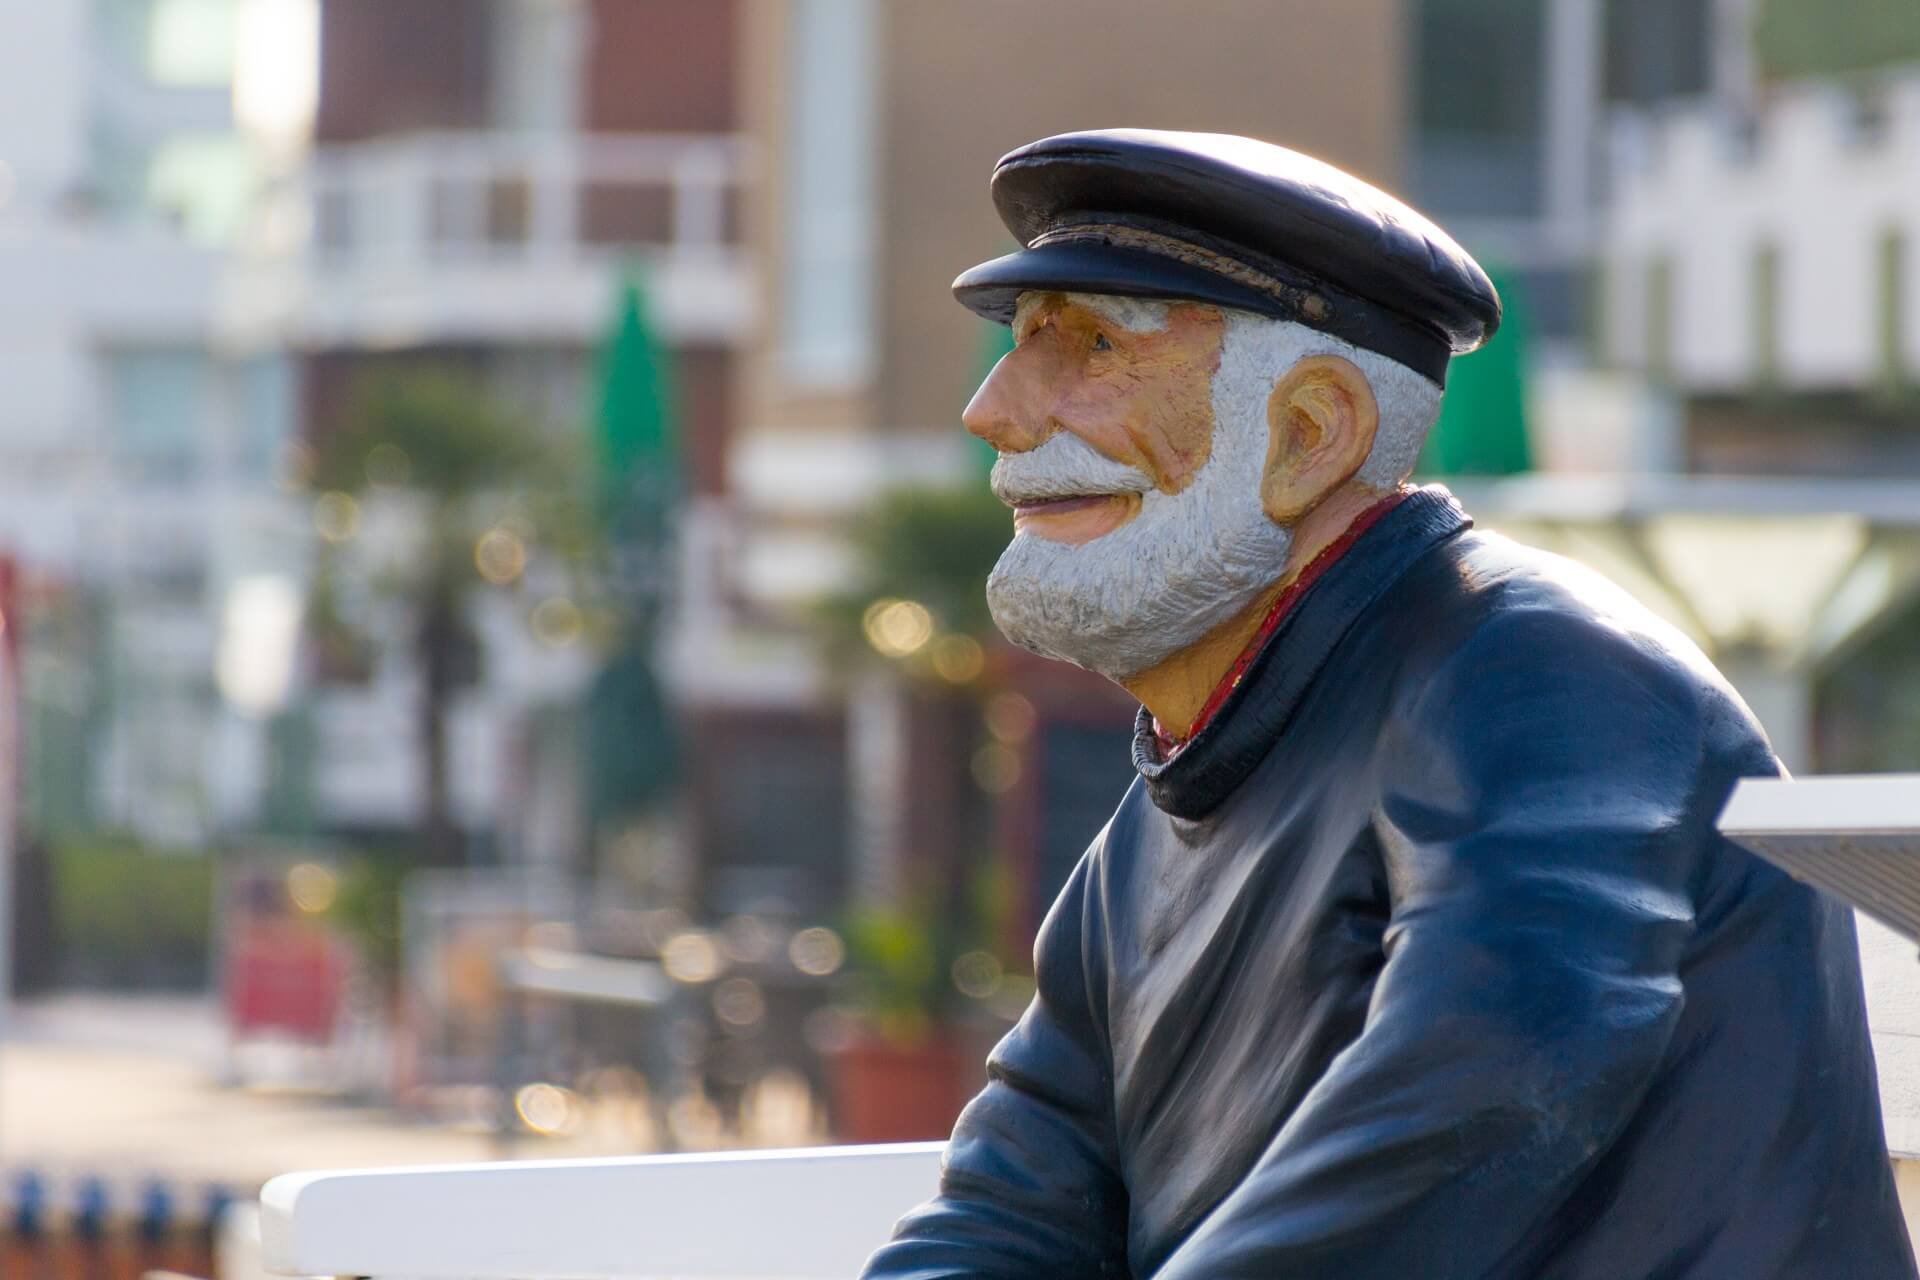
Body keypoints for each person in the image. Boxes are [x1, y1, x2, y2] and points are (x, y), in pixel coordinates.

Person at [859, 129, 1917, 1279]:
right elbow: (1012, 1208)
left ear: (1309, 434)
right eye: (1020, 347)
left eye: (1094, 347)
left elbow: (1494, 1081)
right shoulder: (1151, 832)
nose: (995, 409)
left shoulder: (1541, 676)